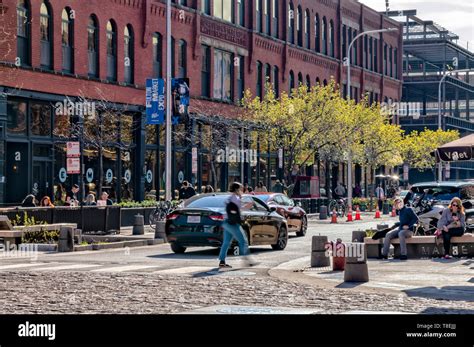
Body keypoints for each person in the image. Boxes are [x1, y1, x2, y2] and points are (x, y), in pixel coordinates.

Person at [218, 182, 258, 268]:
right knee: (243, 241)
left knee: (226, 242)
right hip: (233, 223)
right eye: (241, 189)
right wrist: (248, 205)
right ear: (237, 189)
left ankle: (222, 261)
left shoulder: (229, 198)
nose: (242, 191)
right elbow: (239, 210)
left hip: (226, 222)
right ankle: (248, 261)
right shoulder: (236, 198)